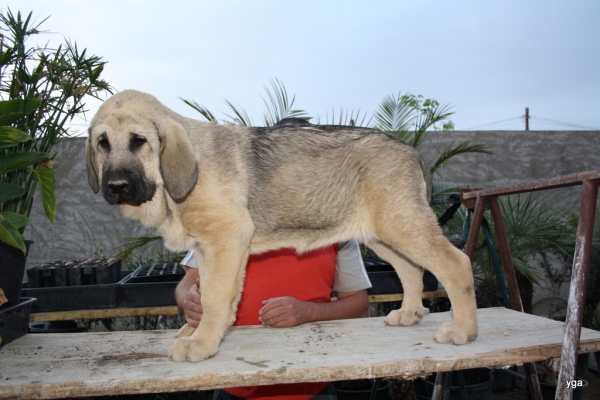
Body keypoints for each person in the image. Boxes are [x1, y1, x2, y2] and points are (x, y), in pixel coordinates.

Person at [176, 239, 371, 400]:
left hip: (312, 384)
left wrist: (309, 312)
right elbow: (187, 284)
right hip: (232, 381)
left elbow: (359, 304)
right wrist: (190, 301)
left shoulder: (339, 226)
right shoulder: (226, 220)